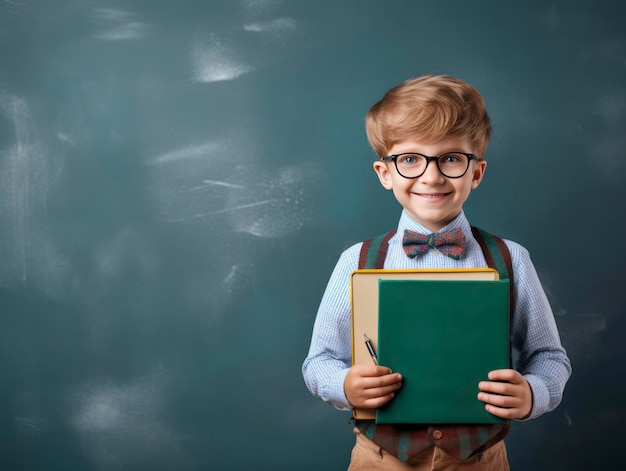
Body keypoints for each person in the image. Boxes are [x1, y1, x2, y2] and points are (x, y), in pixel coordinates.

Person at [301, 75, 571, 470]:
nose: (432, 176)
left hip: (481, 459)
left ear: (476, 172)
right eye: (410, 159)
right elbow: (319, 360)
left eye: (451, 158)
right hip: (380, 460)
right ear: (384, 173)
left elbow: (549, 355)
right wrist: (343, 385)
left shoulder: (510, 258)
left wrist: (534, 392)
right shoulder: (356, 261)